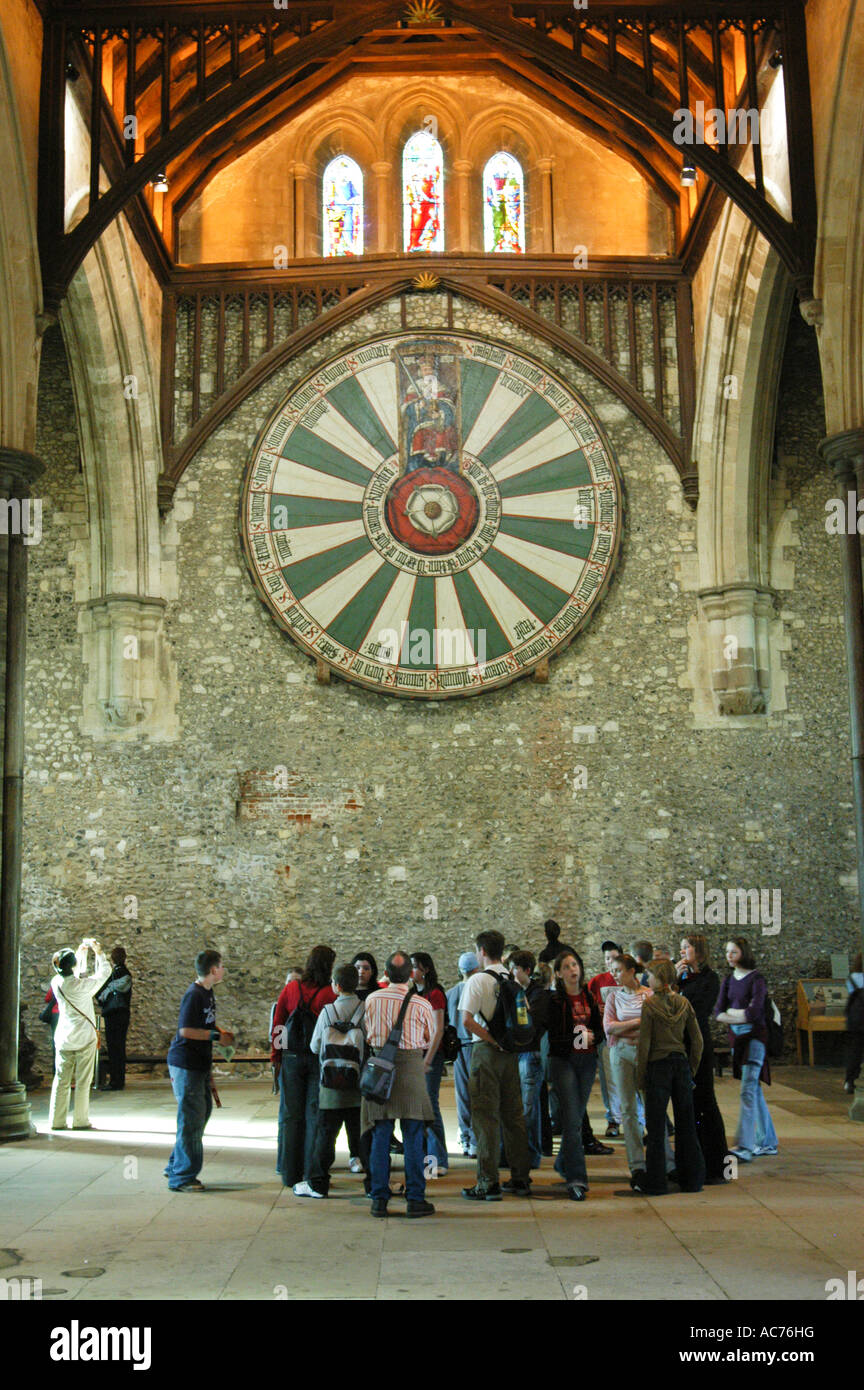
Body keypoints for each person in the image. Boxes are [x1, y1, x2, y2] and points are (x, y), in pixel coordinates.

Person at [362, 951, 436, 1218]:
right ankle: (415, 1198)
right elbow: (428, 1037)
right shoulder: (421, 1004)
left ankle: (379, 1199)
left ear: (385, 972)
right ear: (410, 974)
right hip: (411, 1070)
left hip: (380, 1068)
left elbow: (367, 1032)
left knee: (380, 1135)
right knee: (414, 1136)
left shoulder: (372, 999)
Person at [460, 930, 532, 1200]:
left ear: (480, 951)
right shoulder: (510, 978)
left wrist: (492, 1040)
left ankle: (487, 1182)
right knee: (513, 1116)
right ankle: (520, 1178)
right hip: (511, 1054)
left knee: (485, 1116)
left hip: (486, 1052)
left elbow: (467, 1020)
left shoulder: (478, 979)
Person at [295, 962, 366, 1198]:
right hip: (358, 1085)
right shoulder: (366, 1009)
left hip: (331, 1085)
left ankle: (318, 1183)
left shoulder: (327, 1012)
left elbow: (315, 1047)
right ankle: (372, 1182)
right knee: (362, 1135)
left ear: (335, 986)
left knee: (325, 1135)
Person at [165, 949, 234, 1192]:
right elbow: (186, 1030)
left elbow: (205, 1022)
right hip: (185, 1063)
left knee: (199, 1114)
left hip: (199, 1064)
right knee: (191, 1118)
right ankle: (182, 1177)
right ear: (214, 969)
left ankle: (175, 1164)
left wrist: (221, 1033)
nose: (224, 969)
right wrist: (216, 1036)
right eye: (222, 966)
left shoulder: (207, 992)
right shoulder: (193, 995)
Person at [634, 958, 705, 1195]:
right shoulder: (684, 1003)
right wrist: (690, 1069)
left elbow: (644, 1044)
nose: (647, 979)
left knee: (655, 1129)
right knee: (686, 1125)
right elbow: (697, 1041)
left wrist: (640, 1076)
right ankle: (692, 1179)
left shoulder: (650, 1005)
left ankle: (656, 1182)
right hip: (681, 1065)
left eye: (650, 975)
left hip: (658, 1068)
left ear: (661, 978)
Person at [540, 949, 603, 1200]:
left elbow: (600, 1029)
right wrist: (578, 1037)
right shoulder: (555, 1001)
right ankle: (577, 1179)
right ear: (558, 973)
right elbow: (554, 1037)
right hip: (563, 1061)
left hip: (586, 1061)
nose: (572, 970)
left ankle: (562, 1162)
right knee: (572, 1120)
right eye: (566, 967)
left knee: (575, 1119)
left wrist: (594, 1037)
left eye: (574, 965)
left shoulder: (588, 996)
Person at [271, 944, 336, 1188]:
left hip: (291, 1059)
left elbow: (278, 1025)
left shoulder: (291, 989)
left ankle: (290, 1173)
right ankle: (310, 1173)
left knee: (290, 1116)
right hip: (316, 1058)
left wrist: (276, 1056)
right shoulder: (329, 994)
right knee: (313, 1116)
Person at [714, 937, 778, 1162]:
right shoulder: (728, 980)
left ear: (744, 953)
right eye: (727, 952)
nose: (729, 956)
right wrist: (737, 1015)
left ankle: (745, 1145)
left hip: (755, 1039)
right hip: (737, 1040)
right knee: (754, 1090)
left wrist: (732, 1014)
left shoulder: (756, 979)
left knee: (748, 1089)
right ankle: (768, 1141)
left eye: (733, 952)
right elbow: (717, 1012)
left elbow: (755, 1013)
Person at [676, 933, 730, 1183]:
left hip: (699, 1043)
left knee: (705, 1102)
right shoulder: (683, 978)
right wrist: (674, 981)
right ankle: (691, 1163)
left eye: (687, 947)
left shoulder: (710, 978)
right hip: (680, 1044)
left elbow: (698, 1009)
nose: (683, 951)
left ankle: (717, 1167)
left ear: (698, 951)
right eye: (682, 948)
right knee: (687, 1107)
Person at [48, 938, 111, 1131]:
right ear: (72, 965)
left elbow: (70, 972)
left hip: (64, 1038)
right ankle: (80, 1120)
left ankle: (57, 1121)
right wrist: (98, 952)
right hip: (84, 1037)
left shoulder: (56, 982)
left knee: (61, 1081)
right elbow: (104, 973)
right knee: (83, 1081)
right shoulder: (83, 987)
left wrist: (80, 952)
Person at [604, 953, 652, 1180]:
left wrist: (625, 1026)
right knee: (628, 1110)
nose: (614, 975)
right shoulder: (614, 997)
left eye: (618, 970)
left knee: (653, 1106)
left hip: (645, 1054)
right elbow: (609, 1028)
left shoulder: (649, 996)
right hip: (621, 1053)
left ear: (631, 971)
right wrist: (637, 1023)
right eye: (612, 971)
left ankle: (663, 1159)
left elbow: (654, 1027)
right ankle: (637, 1164)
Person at [509, 949, 546, 1169]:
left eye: (515, 968)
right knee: (520, 1107)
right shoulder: (516, 990)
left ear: (527, 971)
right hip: (516, 1053)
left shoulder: (537, 993)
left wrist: (518, 998)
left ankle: (530, 1156)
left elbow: (529, 1022)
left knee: (529, 1108)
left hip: (530, 1054)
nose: (511, 973)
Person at [410, 951, 447, 1174]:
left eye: (414, 966)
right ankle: (424, 1156)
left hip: (429, 1055)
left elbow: (438, 1029)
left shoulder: (435, 994)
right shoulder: (413, 994)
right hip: (415, 1054)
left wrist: (428, 1060)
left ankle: (438, 1159)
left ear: (425, 969)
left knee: (429, 1105)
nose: (411, 970)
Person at [588, 940, 622, 1137]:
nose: (611, 962)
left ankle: (636, 1118)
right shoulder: (597, 981)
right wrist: (596, 1009)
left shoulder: (628, 979)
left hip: (627, 1037)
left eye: (615, 958)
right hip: (606, 1037)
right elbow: (587, 1008)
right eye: (608, 958)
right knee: (609, 1080)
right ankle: (613, 1119)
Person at [446, 951, 478, 1157]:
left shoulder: (450, 994)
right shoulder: (478, 990)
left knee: (463, 1095)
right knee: (479, 1094)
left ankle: (465, 1137)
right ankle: (475, 1139)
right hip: (476, 1044)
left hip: (458, 1048)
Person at [97, 946, 133, 1091]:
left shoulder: (118, 974)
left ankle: (116, 1081)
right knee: (119, 1047)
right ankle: (118, 1079)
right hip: (122, 1014)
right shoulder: (123, 973)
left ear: (112, 959)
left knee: (114, 1048)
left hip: (114, 1014)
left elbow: (102, 993)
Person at [844, 952, 864, 1094]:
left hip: (856, 1019)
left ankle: (849, 1081)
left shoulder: (852, 978)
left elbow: (851, 994)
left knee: (855, 1051)